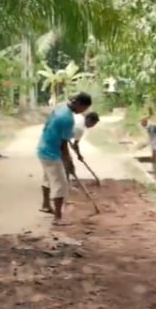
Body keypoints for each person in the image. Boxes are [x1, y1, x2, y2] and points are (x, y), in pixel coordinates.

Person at [38, 92, 93, 224]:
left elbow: (47, 124)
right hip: (52, 152)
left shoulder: (60, 107)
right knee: (61, 184)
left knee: (48, 178)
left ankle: (46, 204)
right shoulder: (68, 119)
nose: (83, 112)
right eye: (84, 109)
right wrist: (68, 163)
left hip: (42, 147)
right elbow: (63, 146)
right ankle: (58, 218)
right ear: (79, 104)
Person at [139, 116, 156, 181]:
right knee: (154, 160)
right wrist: (143, 145)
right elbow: (150, 139)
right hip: (154, 146)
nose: (142, 126)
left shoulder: (153, 126)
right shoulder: (148, 128)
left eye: (143, 124)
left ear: (145, 122)